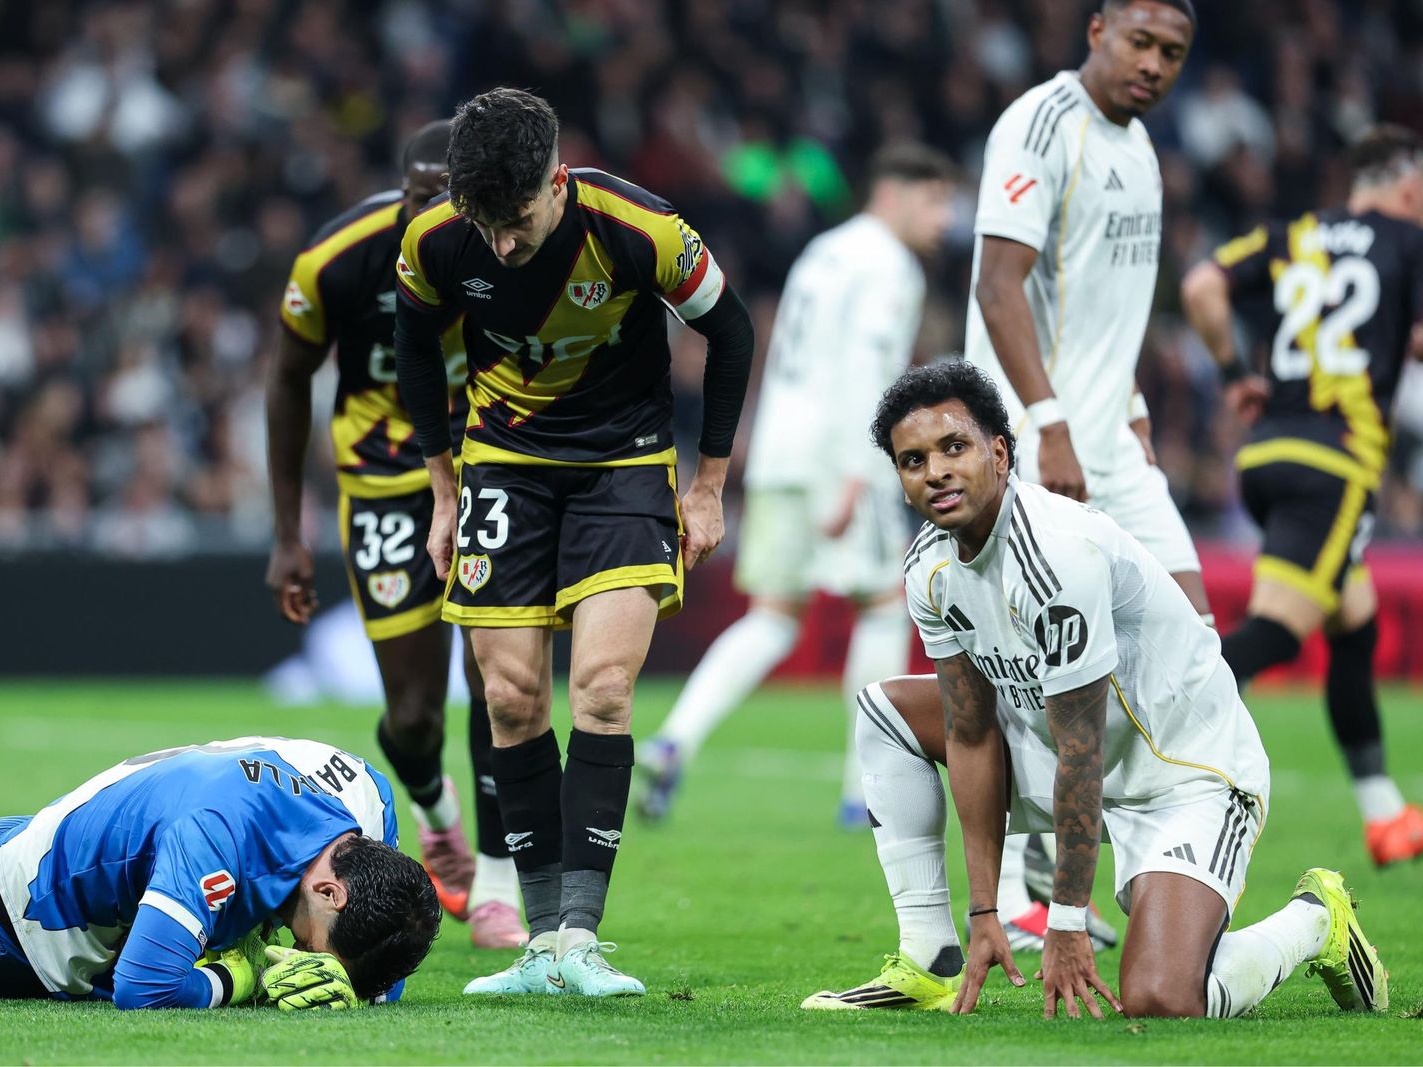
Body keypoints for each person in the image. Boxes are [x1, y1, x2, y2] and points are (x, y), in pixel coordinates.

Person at [803, 360, 1387, 1019]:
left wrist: (1065, 920)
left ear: (999, 452)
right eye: (912, 459)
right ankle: (932, 957)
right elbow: (970, 730)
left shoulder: (1058, 553)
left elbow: (1080, 745)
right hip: (1064, 757)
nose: (934, 470)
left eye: (953, 447)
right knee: (886, 711)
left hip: (1185, 775)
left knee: (1162, 997)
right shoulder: (929, 566)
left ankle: (1315, 921)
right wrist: (985, 909)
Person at [393, 88, 754, 996]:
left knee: (600, 684)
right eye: (486, 223)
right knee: (511, 699)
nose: (502, 243)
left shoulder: (642, 230)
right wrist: (443, 490)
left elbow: (731, 329)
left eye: (516, 221)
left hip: (624, 465)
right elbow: (412, 345)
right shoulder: (437, 238)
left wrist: (707, 486)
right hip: (502, 466)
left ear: (557, 181)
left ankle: (580, 942)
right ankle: (538, 942)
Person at [962, 0, 1201, 949]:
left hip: (1108, 434)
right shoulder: (1040, 122)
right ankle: (1027, 894)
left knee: (1192, 647)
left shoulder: (1137, 146)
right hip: (1036, 431)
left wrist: (1130, 397)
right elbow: (997, 281)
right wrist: (1049, 425)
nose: (1153, 64)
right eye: (1140, 42)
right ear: (1097, 28)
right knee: (1044, 665)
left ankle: (1140, 868)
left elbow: (1100, 294)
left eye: (1172, 53)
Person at [636, 143, 958, 827]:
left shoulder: (822, 252)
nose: (944, 218)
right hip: (840, 454)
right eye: (935, 200)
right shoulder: (889, 266)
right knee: (880, 606)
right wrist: (857, 470)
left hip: (782, 448)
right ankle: (865, 785)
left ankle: (674, 738)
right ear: (895, 194)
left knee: (775, 615)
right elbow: (868, 369)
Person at [266, 120, 526, 949]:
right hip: (383, 487)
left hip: (486, 467)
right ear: (397, 192)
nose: (428, 217)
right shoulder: (336, 259)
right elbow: (287, 377)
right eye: (416, 198)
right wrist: (287, 531)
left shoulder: (511, 247)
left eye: (444, 200)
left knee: (500, 681)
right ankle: (438, 815)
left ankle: (495, 882)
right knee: (412, 716)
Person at [1181, 125, 1423, 867]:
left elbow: (1201, 286)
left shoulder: (1296, 234)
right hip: (1338, 463)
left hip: (1266, 453)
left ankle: (1385, 816)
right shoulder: (1410, 243)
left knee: (1353, 621)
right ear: (1409, 185)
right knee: (1278, 632)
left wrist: (1231, 372)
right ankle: (1141, 740)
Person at [0, 737, 440, 1008]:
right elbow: (144, 989)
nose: (302, 954)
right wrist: (244, 977)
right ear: (328, 889)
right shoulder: (218, 839)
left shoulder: (366, 799)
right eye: (313, 948)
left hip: (83, 903)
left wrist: (372, 991)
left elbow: (385, 933)